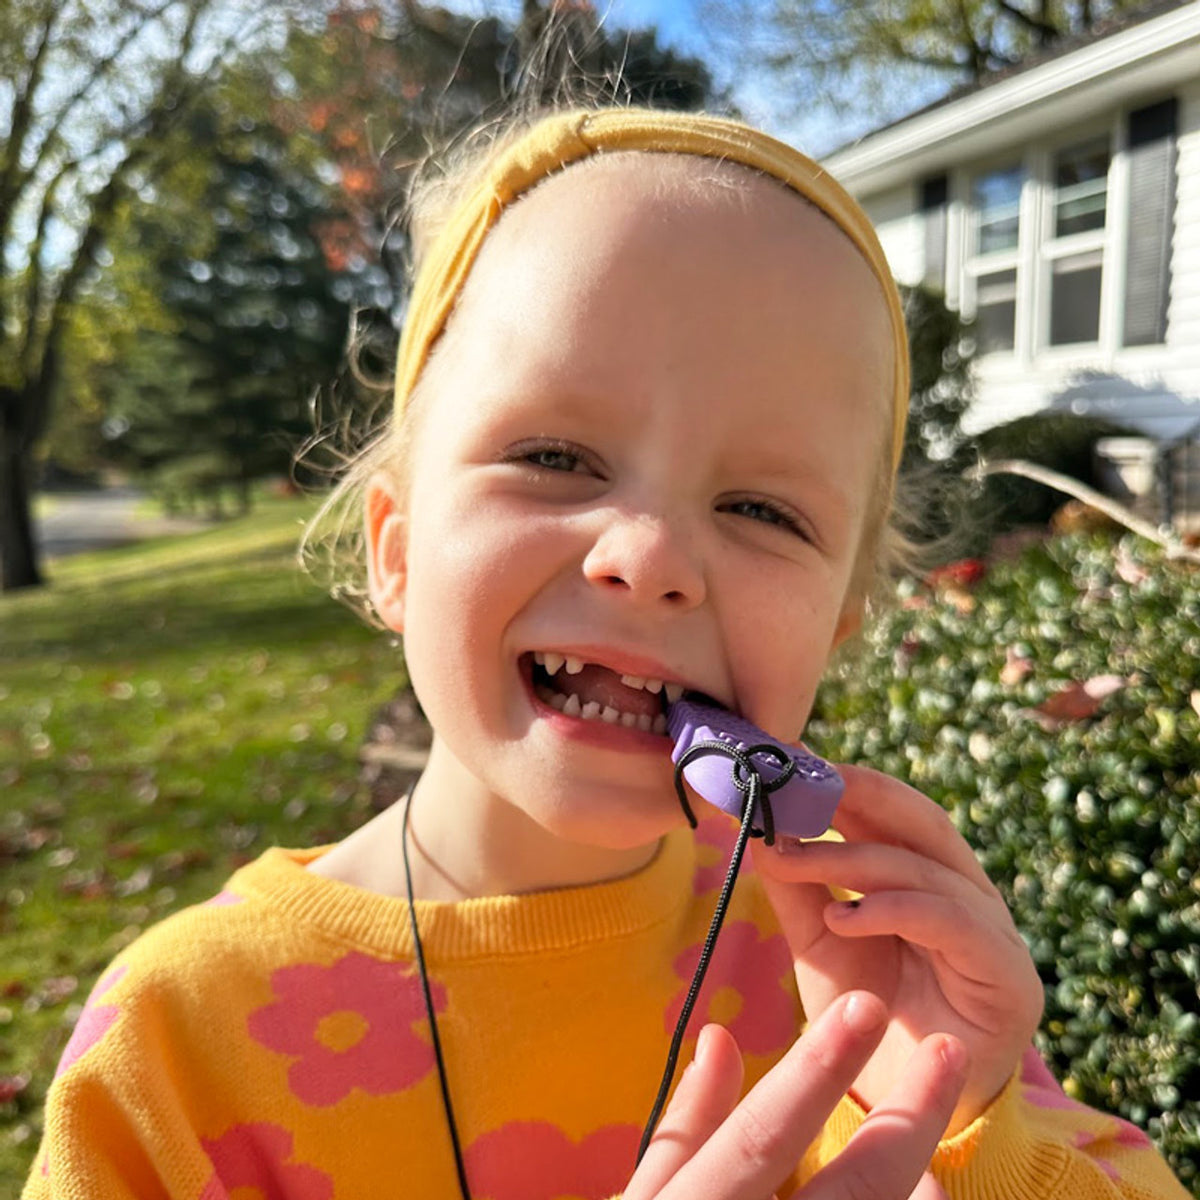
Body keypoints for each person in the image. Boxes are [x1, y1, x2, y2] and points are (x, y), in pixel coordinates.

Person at [24, 106, 1188, 1200]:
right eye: (554, 456)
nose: (651, 554)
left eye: (765, 511)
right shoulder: (181, 1045)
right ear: (396, 552)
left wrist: (976, 1112)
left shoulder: (849, 972)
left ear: (838, 626)